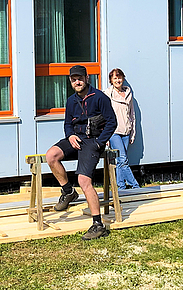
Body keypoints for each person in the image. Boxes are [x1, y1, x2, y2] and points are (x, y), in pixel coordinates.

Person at [46, 65, 117, 240]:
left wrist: (100, 142)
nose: (77, 82)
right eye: (73, 79)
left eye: (80, 78)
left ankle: (98, 224)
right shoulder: (71, 101)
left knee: (84, 180)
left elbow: (112, 122)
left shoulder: (100, 97)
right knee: (51, 155)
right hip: (75, 139)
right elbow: (67, 123)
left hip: (93, 141)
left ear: (87, 78)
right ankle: (68, 191)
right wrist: (69, 135)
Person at [102, 68, 140, 190]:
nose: (118, 80)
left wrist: (133, 133)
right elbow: (103, 115)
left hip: (126, 131)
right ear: (111, 81)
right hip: (114, 132)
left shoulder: (128, 94)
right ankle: (135, 186)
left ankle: (121, 187)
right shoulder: (107, 94)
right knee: (123, 159)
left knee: (120, 161)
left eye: (119, 78)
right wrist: (105, 135)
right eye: (115, 78)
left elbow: (132, 114)